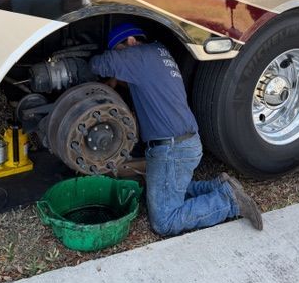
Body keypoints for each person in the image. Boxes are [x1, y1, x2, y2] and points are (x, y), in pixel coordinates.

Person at [90, 22, 263, 236]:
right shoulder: (158, 53)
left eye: (118, 51)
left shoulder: (138, 55)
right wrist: (117, 79)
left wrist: (82, 65)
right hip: (182, 142)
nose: (120, 59)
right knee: (165, 188)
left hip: (172, 149)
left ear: (131, 41)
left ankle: (228, 201)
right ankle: (218, 185)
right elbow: (144, 83)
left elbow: (99, 64)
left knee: (164, 222)